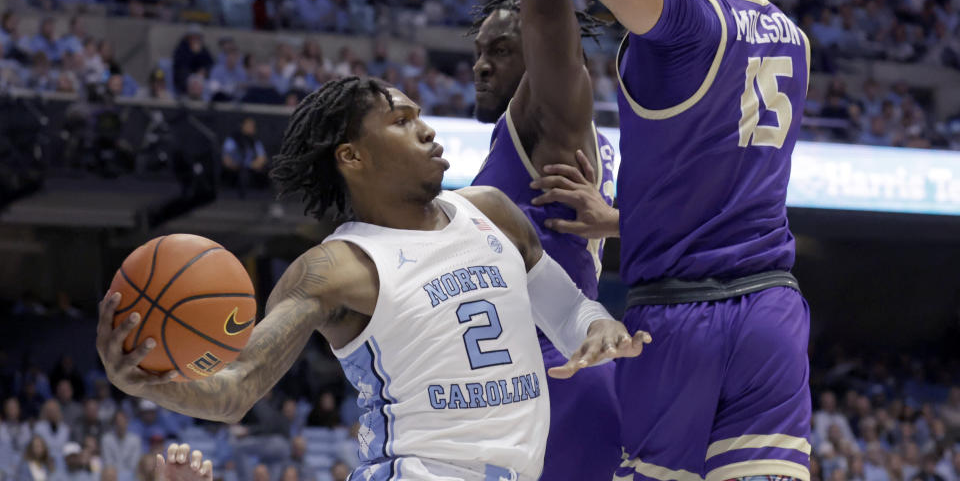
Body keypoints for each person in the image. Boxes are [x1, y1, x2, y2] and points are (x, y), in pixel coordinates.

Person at [97, 77, 650, 481]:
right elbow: (237, 387)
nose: (427, 129)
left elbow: (570, 313)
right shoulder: (336, 267)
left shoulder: (492, 212)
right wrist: (141, 381)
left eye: (419, 115)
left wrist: (598, 329)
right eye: (402, 121)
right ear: (352, 156)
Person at [508, 0, 812, 481]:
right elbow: (722, 192)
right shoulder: (790, 32)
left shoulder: (687, 23)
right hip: (772, 316)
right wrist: (624, 220)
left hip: (679, 320)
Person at [468, 0, 620, 481]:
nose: (480, 65)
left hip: (557, 369)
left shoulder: (550, 113)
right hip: (529, 373)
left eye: (500, 51)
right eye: (478, 52)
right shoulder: (581, 143)